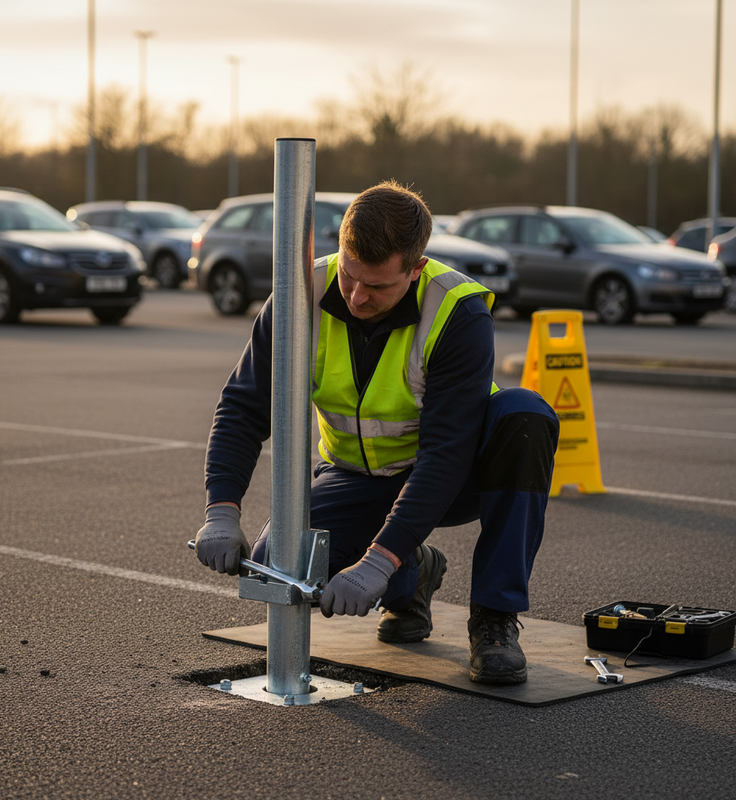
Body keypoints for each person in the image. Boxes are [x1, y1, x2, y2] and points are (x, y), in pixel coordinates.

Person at [195, 180, 559, 685]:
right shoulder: (302, 293)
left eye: (378, 286)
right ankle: (414, 570)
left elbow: (446, 454)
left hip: (454, 477)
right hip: (354, 475)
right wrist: (221, 510)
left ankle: (494, 617)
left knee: (524, 416)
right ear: (340, 248)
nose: (357, 296)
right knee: (276, 566)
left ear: (415, 268)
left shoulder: (457, 312)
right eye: (349, 275)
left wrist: (375, 563)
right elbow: (243, 405)